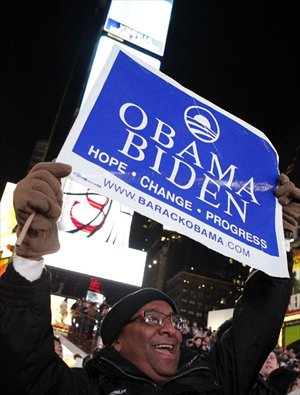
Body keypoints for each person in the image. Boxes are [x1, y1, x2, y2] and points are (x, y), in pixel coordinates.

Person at [0, 161, 299, 395]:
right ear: (116, 340)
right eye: (154, 319)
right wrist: (29, 254)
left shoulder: (214, 379)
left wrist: (277, 239)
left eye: (174, 321)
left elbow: (256, 328)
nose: (172, 330)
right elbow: (27, 371)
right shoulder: (87, 388)